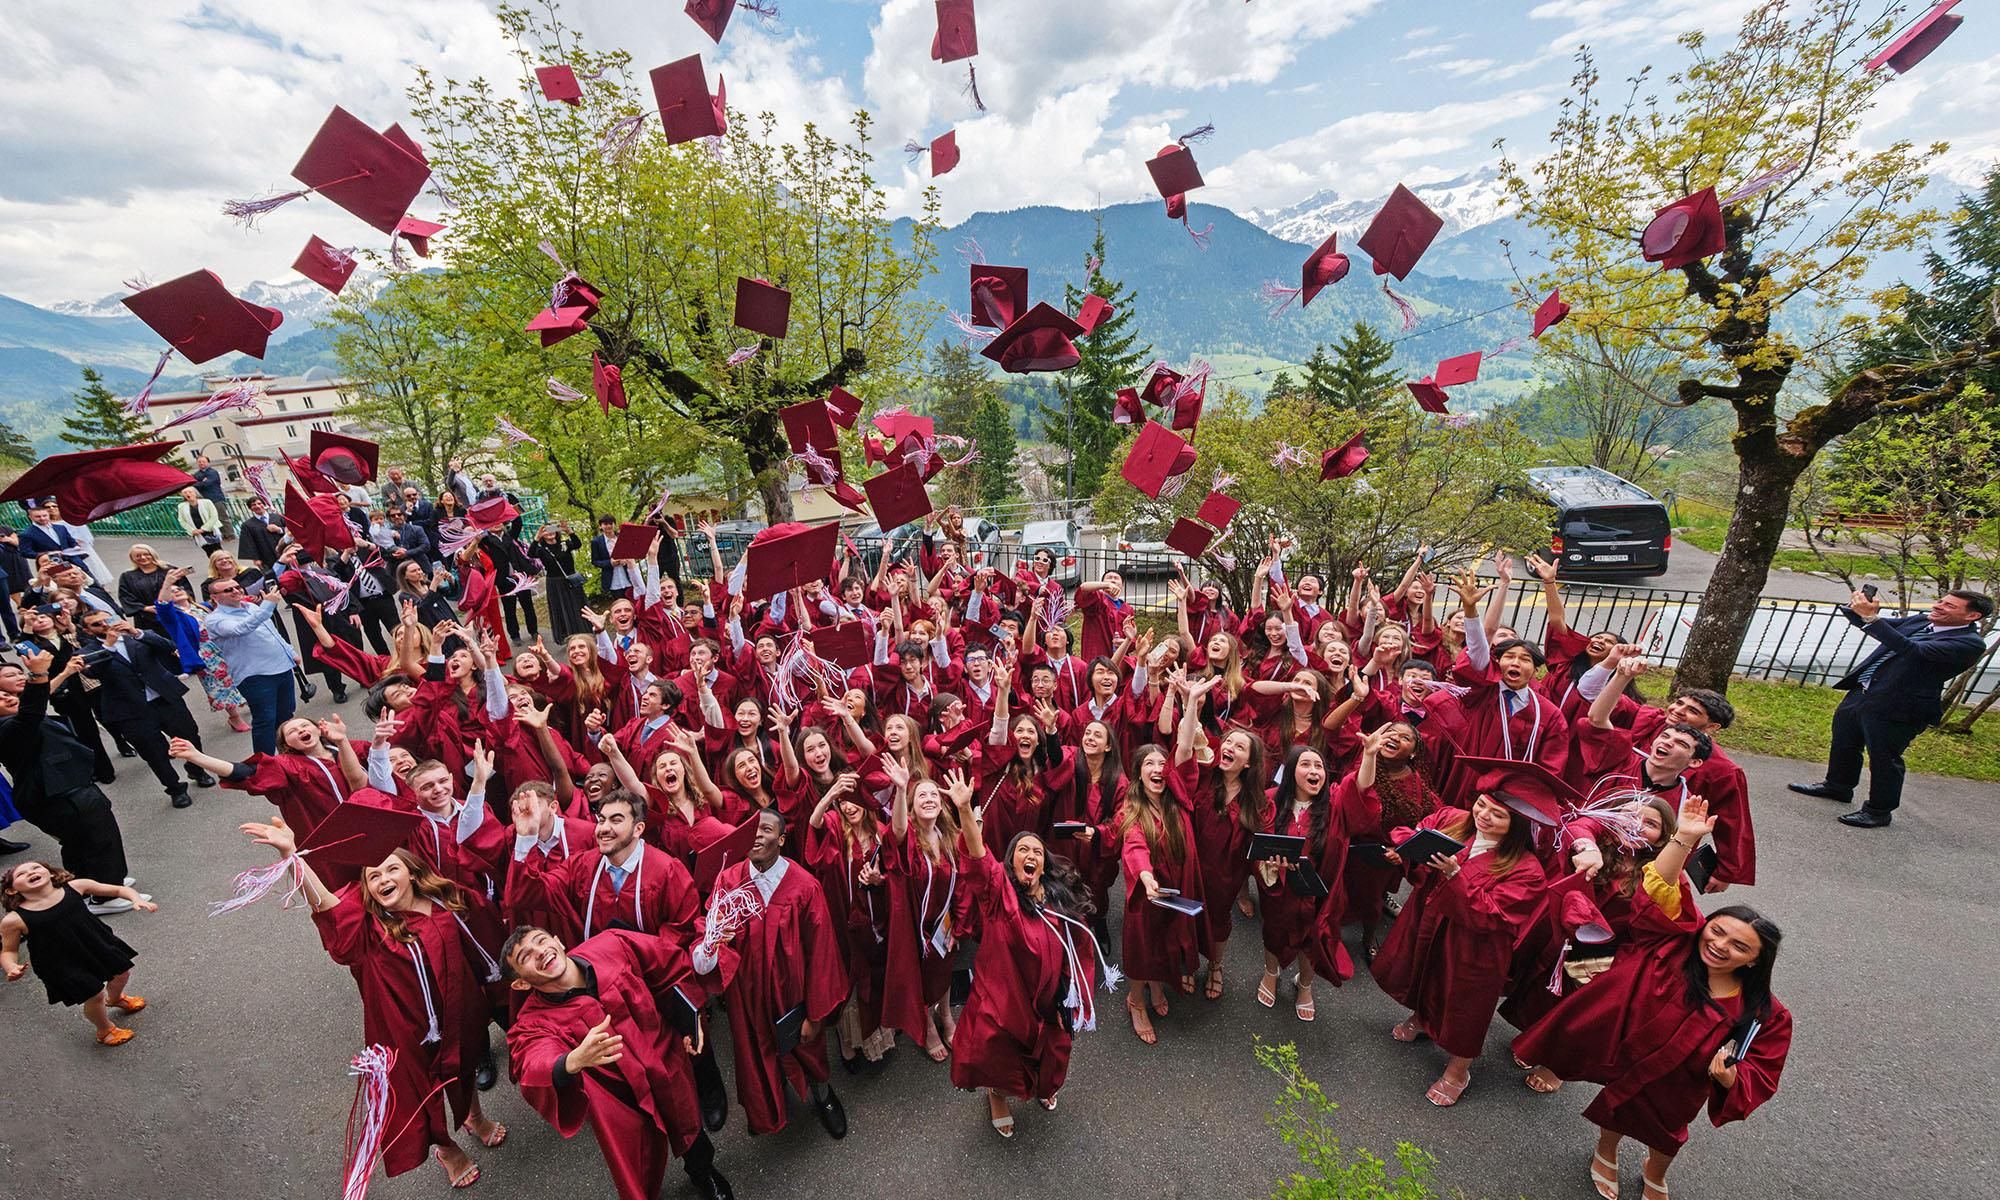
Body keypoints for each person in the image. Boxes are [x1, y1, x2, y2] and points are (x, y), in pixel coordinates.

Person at [1513, 796, 1791, 1200]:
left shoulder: (1765, 1012)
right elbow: (1660, 889)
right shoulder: (1676, 946)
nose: (1720, 945)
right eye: (1717, 932)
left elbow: (1765, 1066)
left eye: (1739, 946)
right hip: (1635, 1056)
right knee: (1620, 1107)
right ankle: (1605, 1152)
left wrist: (1733, 1078)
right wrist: (1682, 838)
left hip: (1685, 1083)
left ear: (1755, 961)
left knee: (1668, 1133)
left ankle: (1655, 1171)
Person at [240, 818, 507, 1188]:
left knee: (464, 1062)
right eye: (373, 877)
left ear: (412, 873)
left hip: (459, 1007)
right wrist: (293, 857)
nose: (383, 880)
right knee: (419, 1095)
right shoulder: (370, 931)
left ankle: (473, 1116)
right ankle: (447, 1149)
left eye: (391, 870)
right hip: (404, 1027)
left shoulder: (444, 902)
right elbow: (329, 908)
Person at [941, 765, 1113, 1137]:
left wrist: (1077, 994)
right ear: (1013, 862)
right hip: (1005, 1004)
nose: (1031, 854)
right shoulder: (999, 896)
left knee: (1052, 1058)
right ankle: (998, 1097)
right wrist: (966, 810)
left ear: (1044, 864)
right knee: (1002, 1058)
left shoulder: (1059, 904)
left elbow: (1079, 950)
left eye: (1037, 850)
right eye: (1022, 849)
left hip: (1049, 1003)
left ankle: (1042, 1088)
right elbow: (979, 857)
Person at [502, 926, 735, 1200]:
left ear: (558, 939)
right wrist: (570, 1060)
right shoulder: (534, 1022)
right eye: (526, 957)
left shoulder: (613, 944)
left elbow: (669, 968)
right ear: (521, 983)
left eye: (541, 941)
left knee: (688, 1125)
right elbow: (531, 1058)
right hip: (621, 1094)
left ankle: (704, 1173)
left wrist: (689, 1019)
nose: (540, 953)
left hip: (663, 1058)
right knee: (635, 1157)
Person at [1372, 763, 1551, 1107]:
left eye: (1497, 814)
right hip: (1431, 919)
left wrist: (1456, 876)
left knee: (1464, 1005)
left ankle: (1458, 1070)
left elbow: (1494, 914)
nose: (1484, 815)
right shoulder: (1454, 820)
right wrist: (1408, 848)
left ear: (1517, 825)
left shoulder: (1527, 869)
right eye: (1482, 804)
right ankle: (1423, 1019)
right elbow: (1417, 830)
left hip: (1476, 945)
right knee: (1422, 972)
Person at [690, 807, 851, 1139]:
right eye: (753, 830)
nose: (757, 836)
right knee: (757, 1053)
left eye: (766, 830)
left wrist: (816, 1014)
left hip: (793, 995)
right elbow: (709, 939)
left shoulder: (805, 887)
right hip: (746, 996)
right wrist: (713, 943)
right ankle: (774, 1104)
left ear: (781, 839)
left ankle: (824, 1095)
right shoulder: (729, 881)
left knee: (807, 1049)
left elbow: (822, 955)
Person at [1788, 588, 1992, 828]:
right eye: (1940, 601)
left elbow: (1912, 650)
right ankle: (1838, 787)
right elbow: (1880, 626)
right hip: (1864, 693)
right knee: (1844, 741)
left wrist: (1871, 619)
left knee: (1884, 757)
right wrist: (1860, 607)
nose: (1938, 606)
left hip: (1900, 707)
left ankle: (1879, 810)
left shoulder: (1968, 644)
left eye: (1949, 606)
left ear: (1972, 617)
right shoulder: (1922, 621)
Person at [0, 652, 132, 905]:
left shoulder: (14, 720)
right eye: (2, 695)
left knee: (85, 842)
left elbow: (32, 708)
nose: (7, 697)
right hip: (58, 795)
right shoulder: (7, 728)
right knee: (95, 840)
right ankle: (105, 896)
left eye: (9, 694)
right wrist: (38, 674)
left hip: (67, 788)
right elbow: (31, 714)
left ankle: (96, 885)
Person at [1, 859, 156, 1045]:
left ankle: (115, 999)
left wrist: (136, 898)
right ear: (11, 890)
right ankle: (105, 1029)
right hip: (60, 963)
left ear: (50, 873)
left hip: (96, 944)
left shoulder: (75, 886)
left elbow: (117, 890)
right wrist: (10, 966)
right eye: (21, 874)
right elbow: (8, 950)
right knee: (95, 994)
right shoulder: (14, 920)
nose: (30, 872)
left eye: (35, 867)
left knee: (122, 974)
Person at [75, 609, 217, 808]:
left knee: (189, 736)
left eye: (108, 619)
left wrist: (136, 632)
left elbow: (169, 647)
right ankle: (175, 789)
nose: (105, 625)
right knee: (154, 752)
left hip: (164, 698)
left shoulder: (138, 636)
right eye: (97, 624)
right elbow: (94, 673)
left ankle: (197, 770)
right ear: (88, 631)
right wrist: (108, 645)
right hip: (130, 711)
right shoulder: (87, 652)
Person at [204, 571, 300, 755]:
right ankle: (265, 764)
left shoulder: (252, 607)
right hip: (255, 676)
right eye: (227, 590)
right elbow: (242, 628)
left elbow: (273, 633)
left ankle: (290, 756)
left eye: (237, 587)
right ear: (215, 597)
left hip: (281, 667)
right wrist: (268, 604)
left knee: (286, 715)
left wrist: (290, 652)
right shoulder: (215, 619)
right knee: (265, 720)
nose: (235, 591)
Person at [530, 520, 589, 641]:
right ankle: (567, 634)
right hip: (555, 582)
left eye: (551, 530)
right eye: (546, 531)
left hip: (571, 579)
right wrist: (537, 537)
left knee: (578, 605)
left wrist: (569, 531)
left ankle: (585, 630)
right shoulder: (542, 549)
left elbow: (577, 544)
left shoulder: (564, 544)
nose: (550, 533)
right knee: (561, 608)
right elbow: (530, 554)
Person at [116, 544, 173, 617]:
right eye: (138, 556)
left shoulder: (168, 570)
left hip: (173, 611)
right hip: (145, 616)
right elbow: (125, 596)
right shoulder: (127, 576)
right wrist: (144, 608)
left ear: (153, 554)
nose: (143, 557)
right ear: (132, 558)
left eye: (146, 554)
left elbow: (183, 589)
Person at [235, 496, 285, 567]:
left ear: (264, 505)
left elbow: (290, 531)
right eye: (253, 505)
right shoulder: (248, 525)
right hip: (266, 557)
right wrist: (255, 559)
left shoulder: (278, 517)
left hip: (285, 551)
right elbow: (249, 543)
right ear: (250, 508)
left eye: (259, 503)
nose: (257, 506)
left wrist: (279, 529)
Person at [175, 486, 225, 554]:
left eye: (190, 492)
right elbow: (181, 520)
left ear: (195, 493)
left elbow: (214, 517)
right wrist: (191, 530)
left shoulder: (207, 502)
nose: (188, 494)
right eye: (185, 493)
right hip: (196, 532)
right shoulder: (181, 506)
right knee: (208, 551)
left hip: (210, 530)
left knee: (218, 550)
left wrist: (203, 529)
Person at [189, 454, 230, 534]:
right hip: (205, 499)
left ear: (208, 462)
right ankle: (219, 534)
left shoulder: (212, 472)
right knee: (212, 518)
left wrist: (200, 483)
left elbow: (207, 484)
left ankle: (229, 534)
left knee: (222, 517)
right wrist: (201, 482)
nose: (201, 463)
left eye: (203, 461)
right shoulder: (197, 474)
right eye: (199, 462)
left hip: (216, 498)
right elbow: (193, 483)